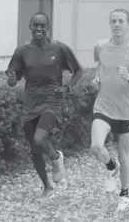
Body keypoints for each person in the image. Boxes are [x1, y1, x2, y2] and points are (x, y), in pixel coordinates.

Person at [5, 12, 83, 201]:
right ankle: (47, 187)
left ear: (48, 28)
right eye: (35, 25)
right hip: (30, 103)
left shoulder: (59, 49)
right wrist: (11, 79)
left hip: (52, 101)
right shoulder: (22, 51)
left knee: (40, 138)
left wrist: (68, 88)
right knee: (35, 149)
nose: (39, 29)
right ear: (30, 27)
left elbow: (79, 71)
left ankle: (56, 158)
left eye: (43, 26)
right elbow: (12, 80)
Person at [90, 8, 129, 211]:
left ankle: (124, 194)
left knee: (124, 155)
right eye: (113, 21)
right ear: (110, 24)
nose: (117, 24)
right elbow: (100, 66)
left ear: (128, 25)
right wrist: (98, 78)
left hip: (126, 111)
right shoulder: (100, 46)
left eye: (121, 21)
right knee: (96, 146)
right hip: (103, 106)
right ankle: (110, 166)